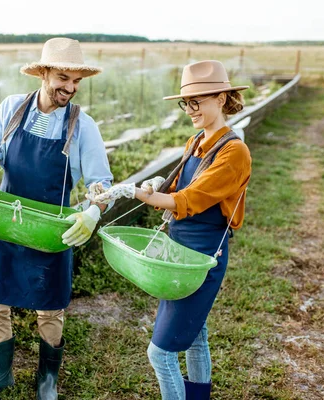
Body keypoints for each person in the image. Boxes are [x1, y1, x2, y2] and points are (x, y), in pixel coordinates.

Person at [0, 37, 113, 400]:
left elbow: (101, 183)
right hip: (5, 222)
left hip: (48, 228)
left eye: (76, 82)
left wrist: (92, 211)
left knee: (50, 306)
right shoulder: (12, 108)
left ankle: (47, 381)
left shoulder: (82, 126)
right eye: (62, 78)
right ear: (43, 73)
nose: (70, 89)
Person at [93, 60, 252, 400]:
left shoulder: (234, 152)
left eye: (197, 101)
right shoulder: (196, 141)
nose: (190, 109)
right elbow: (177, 186)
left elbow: (189, 199)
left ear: (221, 99)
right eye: (186, 102)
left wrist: (134, 192)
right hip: (177, 252)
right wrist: (154, 185)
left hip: (200, 258)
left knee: (160, 353)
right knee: (196, 336)